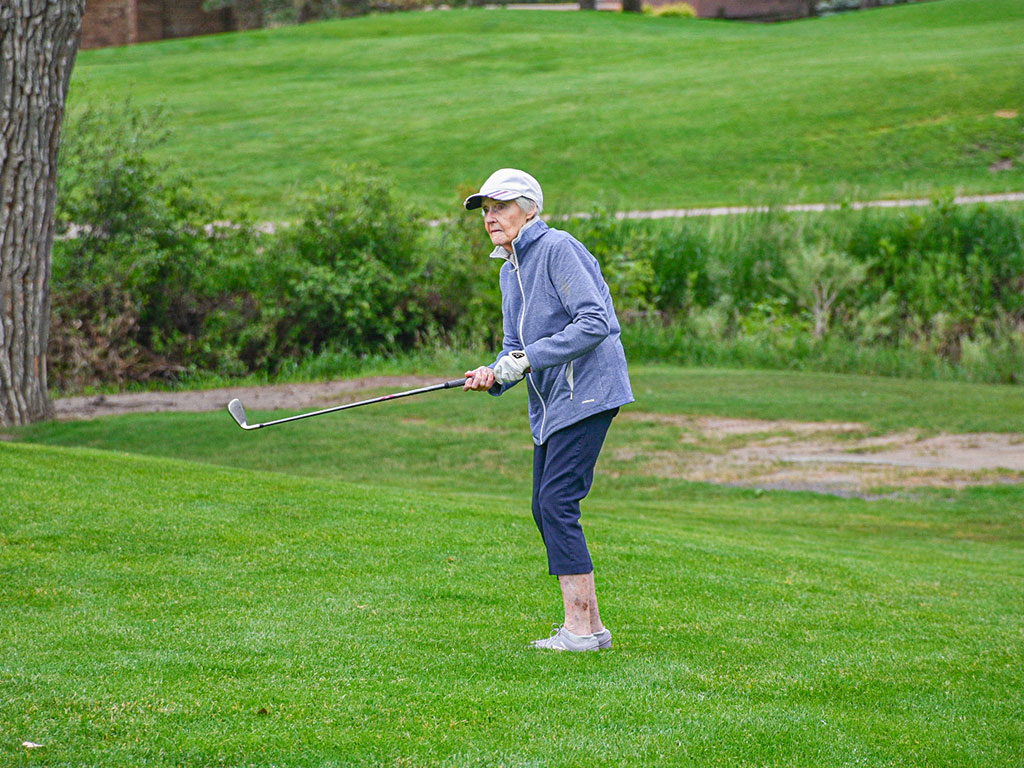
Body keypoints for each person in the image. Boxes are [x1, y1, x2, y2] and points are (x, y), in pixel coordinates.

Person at [462, 168, 634, 652]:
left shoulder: (557, 248)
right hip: (554, 401)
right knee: (545, 506)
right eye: (486, 210)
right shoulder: (508, 270)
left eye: (501, 207)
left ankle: (580, 631)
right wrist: (494, 374)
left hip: (589, 391)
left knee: (557, 503)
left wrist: (525, 360)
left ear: (530, 209)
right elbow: (515, 346)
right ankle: (589, 627)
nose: (491, 218)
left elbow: (596, 320)